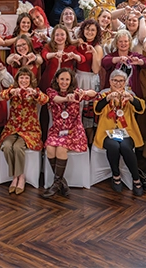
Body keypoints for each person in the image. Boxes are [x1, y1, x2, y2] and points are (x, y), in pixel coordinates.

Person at [43, 68, 96, 197]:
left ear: (71, 80)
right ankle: (61, 182)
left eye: (67, 79)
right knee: (50, 148)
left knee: (61, 148)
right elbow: (55, 99)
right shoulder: (51, 91)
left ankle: (56, 184)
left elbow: (94, 94)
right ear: (57, 79)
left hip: (74, 131)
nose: (64, 82)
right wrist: (67, 98)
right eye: (62, 79)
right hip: (57, 130)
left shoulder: (76, 92)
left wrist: (85, 92)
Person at [94, 70, 146, 196]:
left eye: (121, 81)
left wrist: (132, 99)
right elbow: (97, 108)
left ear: (125, 82)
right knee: (113, 145)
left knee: (125, 146)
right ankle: (116, 175)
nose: (118, 83)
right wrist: (107, 99)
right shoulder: (104, 94)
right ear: (110, 81)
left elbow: (140, 108)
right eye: (115, 80)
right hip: (107, 132)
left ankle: (136, 178)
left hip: (126, 132)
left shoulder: (129, 94)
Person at [0, 67, 48, 194]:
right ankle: (17, 175)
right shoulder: (13, 89)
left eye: (27, 77)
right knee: (7, 146)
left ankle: (19, 178)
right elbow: (2, 95)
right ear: (17, 79)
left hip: (29, 130)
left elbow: (44, 99)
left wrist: (35, 94)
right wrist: (12, 92)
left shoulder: (35, 91)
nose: (24, 80)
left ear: (31, 79)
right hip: (12, 128)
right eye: (21, 77)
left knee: (17, 147)